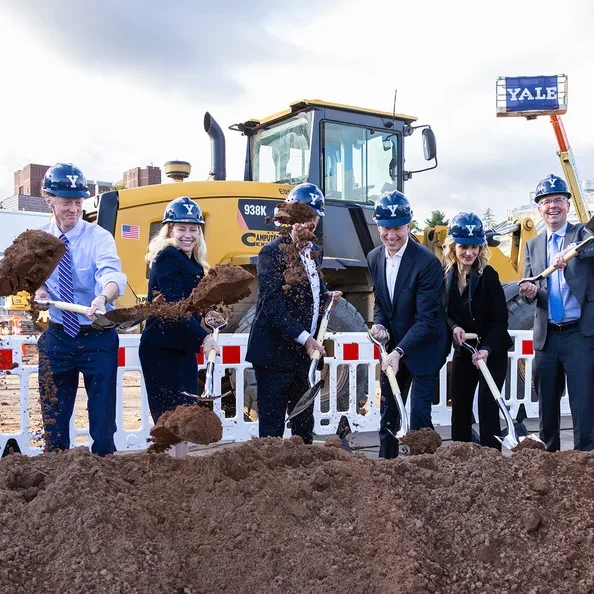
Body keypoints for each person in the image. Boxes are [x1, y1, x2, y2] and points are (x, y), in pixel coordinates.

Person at [35, 162, 127, 456]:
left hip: (96, 338)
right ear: (49, 200)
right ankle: (55, 470)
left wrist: (103, 298)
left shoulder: (98, 238)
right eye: (66, 203)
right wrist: (38, 291)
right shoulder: (38, 240)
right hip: (58, 336)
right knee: (54, 416)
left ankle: (104, 470)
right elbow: (35, 280)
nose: (74, 209)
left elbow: (112, 275)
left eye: (78, 202)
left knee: (102, 419)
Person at [246, 183, 339, 444]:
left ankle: (302, 480)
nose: (308, 223)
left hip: (302, 359)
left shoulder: (315, 253)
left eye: (313, 217)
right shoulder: (271, 253)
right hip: (274, 355)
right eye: (302, 216)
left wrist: (326, 295)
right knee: (273, 433)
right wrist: (306, 339)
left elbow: (307, 292)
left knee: (303, 428)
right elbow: (272, 307)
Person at [367, 190, 450, 458]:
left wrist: (399, 351)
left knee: (418, 420)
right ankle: (385, 468)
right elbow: (381, 303)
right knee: (388, 414)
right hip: (394, 351)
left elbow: (427, 319)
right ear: (378, 225)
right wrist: (380, 326)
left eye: (398, 228)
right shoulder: (374, 258)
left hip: (424, 349)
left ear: (409, 225)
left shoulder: (427, 263)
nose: (391, 235)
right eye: (386, 228)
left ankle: (422, 472)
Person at [519, 174, 594, 452]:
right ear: (539, 208)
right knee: (547, 407)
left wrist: (577, 251)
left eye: (559, 200)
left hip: (579, 336)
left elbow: (593, 248)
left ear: (568, 205)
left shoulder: (582, 236)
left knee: (583, 405)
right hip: (547, 339)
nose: (553, 206)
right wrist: (529, 291)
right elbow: (535, 287)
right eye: (547, 201)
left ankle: (585, 463)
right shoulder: (533, 246)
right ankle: (548, 468)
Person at [139, 196, 218, 424]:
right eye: (181, 228)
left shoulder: (194, 262)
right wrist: (204, 338)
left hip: (182, 348)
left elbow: (192, 302)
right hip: (162, 350)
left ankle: (179, 461)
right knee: (169, 422)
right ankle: (169, 461)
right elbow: (176, 305)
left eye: (193, 229)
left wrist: (208, 312)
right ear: (170, 230)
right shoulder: (168, 257)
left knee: (185, 419)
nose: (188, 235)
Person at [442, 212, 512, 450]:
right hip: (464, 349)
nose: (469, 252)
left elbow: (500, 321)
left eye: (474, 247)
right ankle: (460, 456)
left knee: (487, 406)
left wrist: (487, 350)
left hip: (491, 351)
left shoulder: (488, 277)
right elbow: (446, 313)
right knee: (460, 405)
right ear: (453, 247)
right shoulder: (447, 277)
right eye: (463, 246)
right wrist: (454, 327)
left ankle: (489, 460)